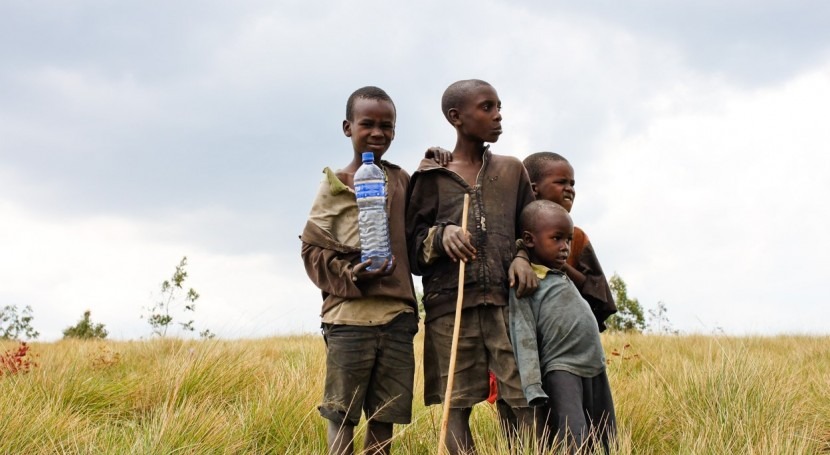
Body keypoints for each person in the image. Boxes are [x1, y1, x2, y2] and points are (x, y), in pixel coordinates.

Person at [406, 79, 537, 454]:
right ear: (456, 117)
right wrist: (440, 235)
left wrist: (523, 257)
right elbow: (413, 251)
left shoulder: (512, 171)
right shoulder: (430, 178)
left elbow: (530, 232)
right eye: (487, 107)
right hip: (451, 308)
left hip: (507, 305)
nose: (498, 116)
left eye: (499, 106)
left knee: (524, 398)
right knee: (456, 404)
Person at [300, 86, 418, 455]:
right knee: (342, 414)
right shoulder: (334, 186)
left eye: (387, 126)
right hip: (347, 319)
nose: (378, 133)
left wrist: (434, 162)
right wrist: (354, 274)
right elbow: (311, 252)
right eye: (367, 124)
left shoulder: (401, 181)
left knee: (385, 415)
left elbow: (419, 233)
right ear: (348, 127)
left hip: (397, 317)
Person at [510, 200, 616, 453]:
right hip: (561, 368)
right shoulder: (527, 280)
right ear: (529, 239)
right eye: (557, 239)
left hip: (594, 367)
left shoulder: (561, 275)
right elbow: (521, 332)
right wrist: (533, 385)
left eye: (568, 240)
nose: (565, 248)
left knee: (604, 436)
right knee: (572, 437)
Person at [522, 152, 617, 330]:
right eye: (561, 182)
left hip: (565, 331)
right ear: (534, 188)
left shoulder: (577, 237)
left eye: (572, 184)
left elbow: (599, 297)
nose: (570, 189)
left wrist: (562, 266)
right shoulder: (512, 230)